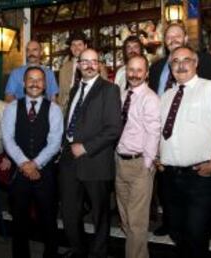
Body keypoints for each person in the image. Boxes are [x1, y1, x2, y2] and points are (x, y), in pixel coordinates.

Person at [148, 22, 211, 237]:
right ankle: (170, 222)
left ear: (186, 38)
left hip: (197, 154)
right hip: (167, 145)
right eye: (169, 36)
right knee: (172, 205)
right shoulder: (157, 67)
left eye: (177, 35)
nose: (173, 39)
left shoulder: (204, 64)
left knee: (196, 231)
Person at [158, 46, 211, 258]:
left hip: (200, 177)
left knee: (197, 236)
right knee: (178, 234)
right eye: (175, 61)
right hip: (170, 177)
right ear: (170, 67)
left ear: (196, 63)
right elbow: (160, 131)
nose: (181, 65)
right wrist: (159, 157)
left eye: (186, 60)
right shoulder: (166, 96)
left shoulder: (210, 88)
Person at [59, 48, 122, 258]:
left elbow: (113, 129)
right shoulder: (75, 88)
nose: (89, 65)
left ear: (99, 64)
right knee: (69, 211)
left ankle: (98, 253)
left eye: (93, 61)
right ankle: (77, 249)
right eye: (84, 61)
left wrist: (85, 147)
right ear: (78, 65)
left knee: (99, 214)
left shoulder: (109, 90)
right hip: (69, 159)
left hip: (95, 160)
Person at [2, 66, 63, 258]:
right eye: (30, 79)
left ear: (45, 85)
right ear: (23, 83)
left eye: (39, 80)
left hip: (45, 173)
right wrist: (24, 164)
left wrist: (35, 164)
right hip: (19, 173)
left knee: (48, 219)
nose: (34, 83)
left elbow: (55, 143)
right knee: (19, 221)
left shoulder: (54, 109)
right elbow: (7, 139)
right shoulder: (11, 107)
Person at [115, 55, 161, 258]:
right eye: (130, 70)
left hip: (139, 164)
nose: (134, 74)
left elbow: (154, 132)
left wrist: (148, 163)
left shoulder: (150, 98)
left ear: (147, 73)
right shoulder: (123, 95)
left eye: (139, 70)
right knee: (125, 218)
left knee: (136, 222)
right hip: (120, 162)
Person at [58, 31, 108, 115]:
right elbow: (61, 95)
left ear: (85, 46)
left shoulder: (98, 66)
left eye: (79, 44)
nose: (76, 47)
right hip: (69, 111)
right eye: (73, 45)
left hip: (92, 111)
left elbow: (105, 92)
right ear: (70, 48)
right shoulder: (64, 68)